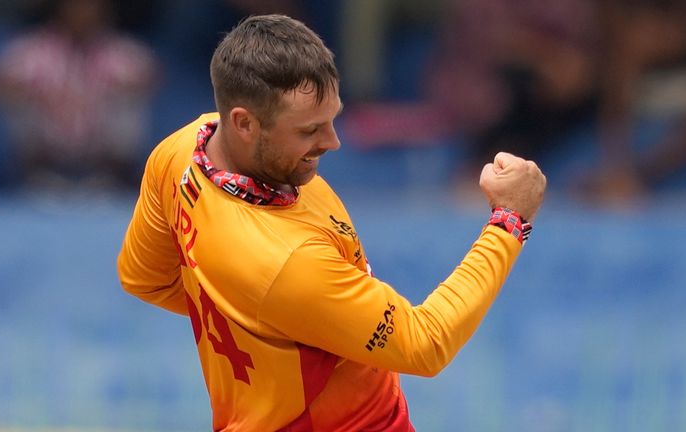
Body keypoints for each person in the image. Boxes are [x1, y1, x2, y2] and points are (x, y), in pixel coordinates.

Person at [117, 14, 546, 431]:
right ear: (244, 123)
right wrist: (510, 220)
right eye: (309, 131)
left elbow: (144, 278)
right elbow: (425, 344)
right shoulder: (287, 263)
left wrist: (260, 314)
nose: (332, 142)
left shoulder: (179, 152)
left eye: (331, 119)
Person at [0, 0, 158, 192]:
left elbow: (150, 76)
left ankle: (115, 175)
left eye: (90, 8)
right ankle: (33, 174)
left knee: (128, 103)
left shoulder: (120, 50)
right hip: (50, 141)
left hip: (98, 144)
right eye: (76, 7)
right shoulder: (33, 48)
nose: (82, 14)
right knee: (18, 103)